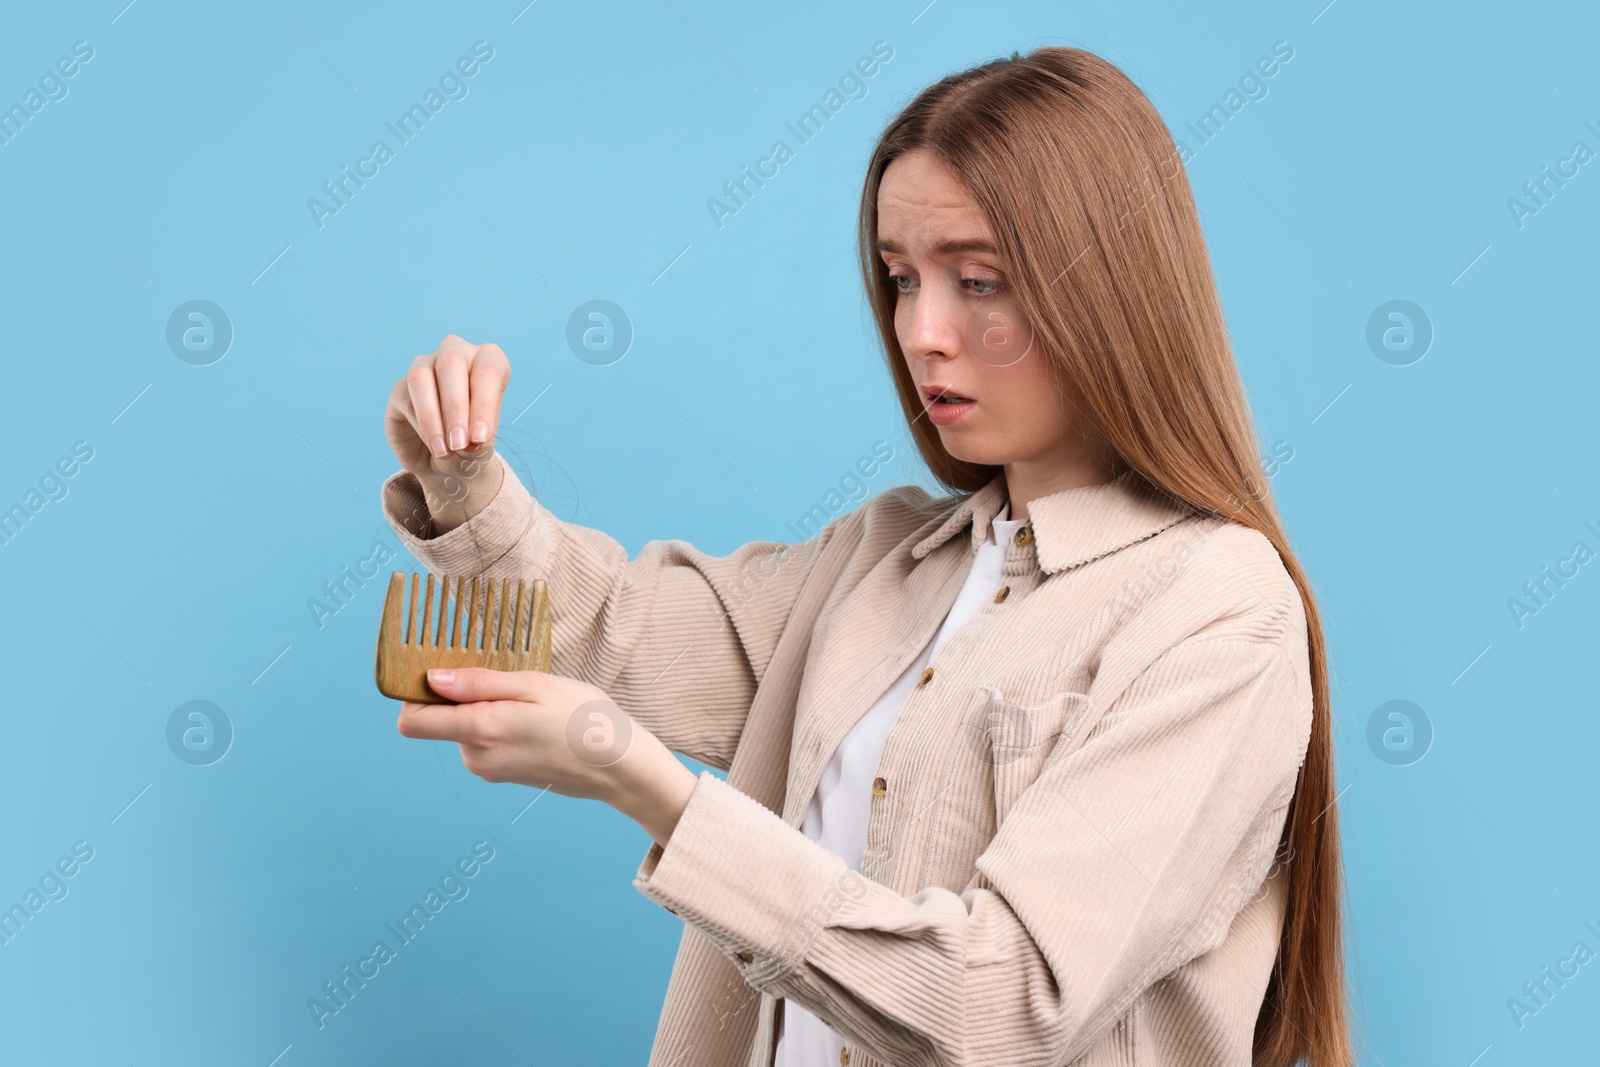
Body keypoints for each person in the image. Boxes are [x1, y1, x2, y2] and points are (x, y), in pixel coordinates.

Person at [379, 46, 1354, 1067]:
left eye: (979, 281)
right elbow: (606, 631)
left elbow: (999, 1006)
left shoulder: (1215, 610)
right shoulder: (878, 561)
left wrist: (651, 790)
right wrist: (464, 480)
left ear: (1107, 290)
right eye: (899, 278)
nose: (922, 331)